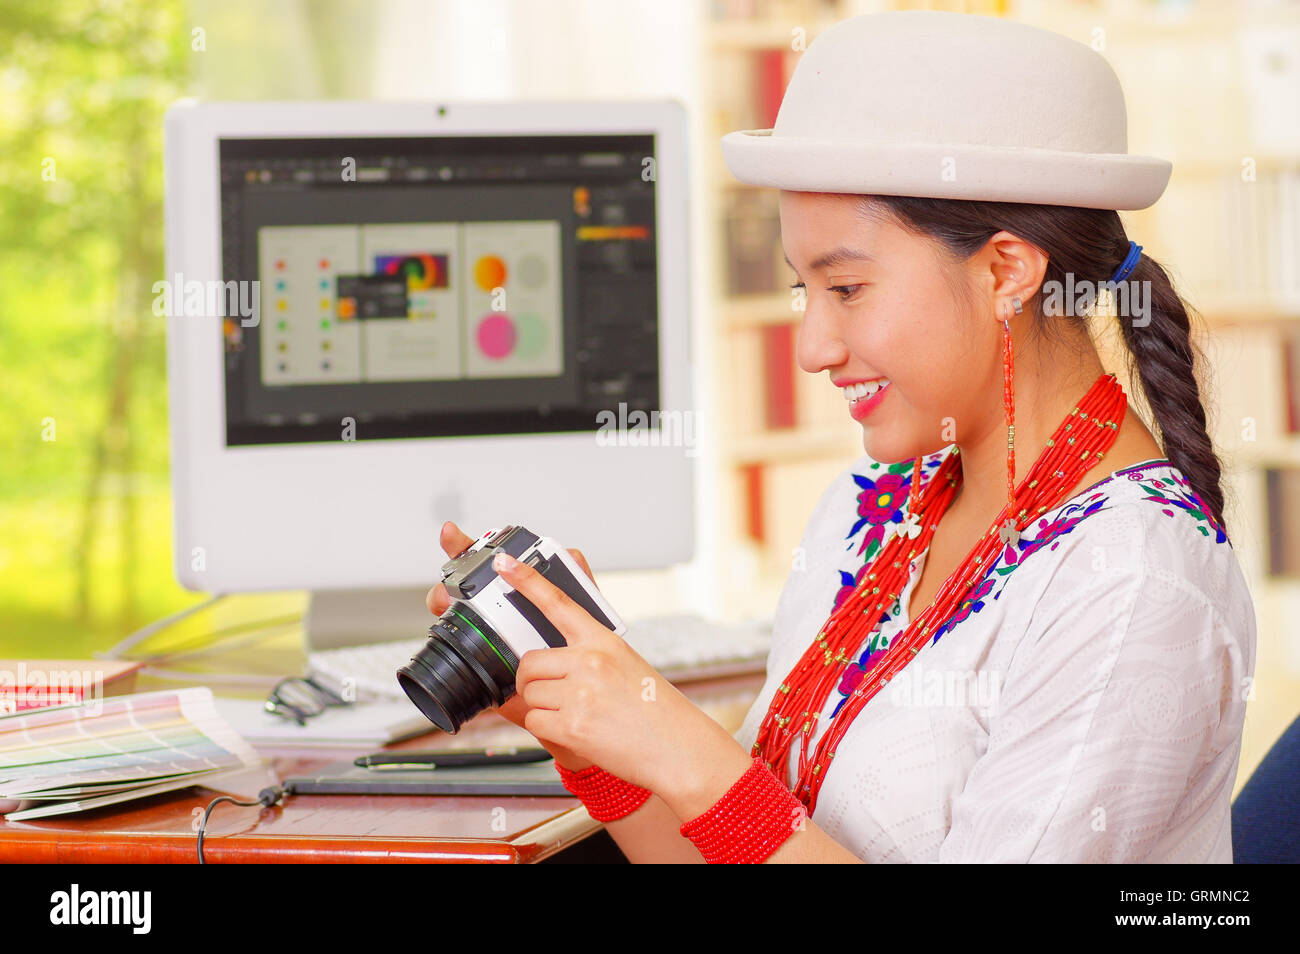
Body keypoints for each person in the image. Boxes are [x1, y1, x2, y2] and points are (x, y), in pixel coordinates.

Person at [428, 10, 1257, 863]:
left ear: (1007, 271)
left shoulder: (1135, 583)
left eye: (849, 289)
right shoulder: (869, 507)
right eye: (804, 291)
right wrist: (595, 730)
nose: (815, 349)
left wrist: (691, 752)